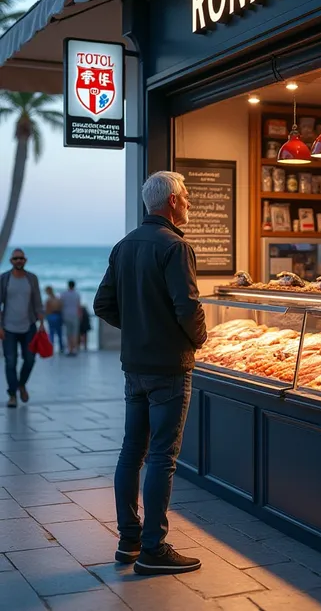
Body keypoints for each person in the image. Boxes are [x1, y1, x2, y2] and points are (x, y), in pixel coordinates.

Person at [94, 171, 207, 576]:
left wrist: (140, 329)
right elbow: (187, 306)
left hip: (134, 368)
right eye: (188, 197)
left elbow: (102, 305)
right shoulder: (175, 246)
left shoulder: (124, 245)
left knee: (132, 452)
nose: (190, 204)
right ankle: (155, 548)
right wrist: (198, 340)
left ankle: (129, 540)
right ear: (173, 201)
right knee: (162, 456)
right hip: (170, 368)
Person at [0, 248, 44, 408]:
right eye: (15, 258)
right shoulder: (4, 279)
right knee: (10, 362)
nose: (18, 261)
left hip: (29, 327)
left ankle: (21, 384)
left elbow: (38, 302)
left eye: (21, 258)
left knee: (30, 360)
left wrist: (42, 324)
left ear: (25, 260)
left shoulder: (32, 278)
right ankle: (12, 395)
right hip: (8, 328)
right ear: (11, 261)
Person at [60, 280, 81, 356]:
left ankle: (69, 349)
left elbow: (61, 305)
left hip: (66, 315)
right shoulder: (76, 294)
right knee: (75, 333)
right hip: (75, 315)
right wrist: (80, 315)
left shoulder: (64, 294)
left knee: (68, 334)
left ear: (68, 285)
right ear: (74, 286)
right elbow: (78, 306)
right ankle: (74, 350)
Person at [45, 286, 63, 353]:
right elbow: (61, 307)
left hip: (51, 316)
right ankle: (61, 348)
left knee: (51, 333)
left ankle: (51, 348)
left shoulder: (48, 300)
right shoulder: (57, 299)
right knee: (59, 333)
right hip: (58, 316)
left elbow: (47, 310)